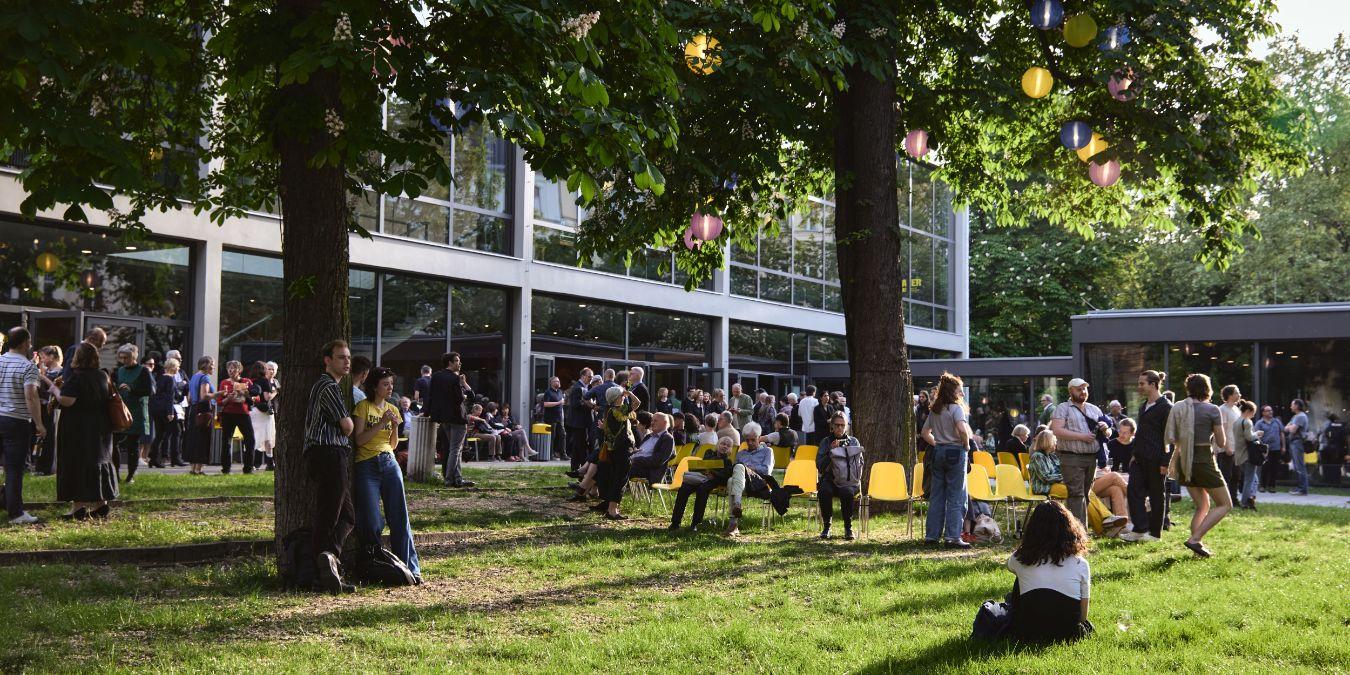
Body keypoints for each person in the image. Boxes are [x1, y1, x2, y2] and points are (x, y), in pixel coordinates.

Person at [350, 367, 420, 581]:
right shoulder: (363, 407)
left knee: (399, 517)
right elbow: (359, 440)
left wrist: (393, 426)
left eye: (391, 384)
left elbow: (393, 444)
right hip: (366, 466)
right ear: (374, 386)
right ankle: (375, 566)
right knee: (371, 520)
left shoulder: (393, 409)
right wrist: (381, 422)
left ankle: (410, 568)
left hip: (389, 463)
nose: (390, 388)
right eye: (385, 384)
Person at [305, 339, 357, 594]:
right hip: (328, 453)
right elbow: (348, 427)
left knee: (347, 515)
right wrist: (347, 424)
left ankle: (329, 562)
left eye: (348, 357)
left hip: (331, 454)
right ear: (328, 360)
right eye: (341, 357)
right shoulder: (327, 386)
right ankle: (319, 575)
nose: (347, 361)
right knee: (328, 515)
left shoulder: (328, 386)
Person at [1002, 501, 1094, 644]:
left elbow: (1009, 566)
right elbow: (1082, 617)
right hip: (1068, 632)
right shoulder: (1081, 564)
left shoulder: (1019, 559)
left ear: (1033, 530)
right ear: (1070, 529)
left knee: (1019, 580)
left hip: (1027, 632)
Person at [49, 342, 117, 521]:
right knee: (97, 462)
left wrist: (55, 390)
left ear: (77, 358)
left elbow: (66, 400)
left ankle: (78, 508)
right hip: (101, 426)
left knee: (77, 463)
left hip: (78, 428)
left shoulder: (77, 377)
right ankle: (101, 505)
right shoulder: (103, 375)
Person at [1165, 373, 1230, 558]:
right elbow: (1222, 442)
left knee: (1202, 505)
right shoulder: (1212, 409)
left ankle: (1198, 551)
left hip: (1183, 460)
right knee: (1225, 504)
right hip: (1203, 459)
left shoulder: (1179, 407)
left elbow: (1174, 436)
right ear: (1207, 388)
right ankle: (1195, 539)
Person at [920, 373, 973, 548]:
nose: (963, 394)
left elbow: (924, 433)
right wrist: (965, 446)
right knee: (957, 496)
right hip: (955, 452)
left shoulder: (935, 409)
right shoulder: (956, 409)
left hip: (939, 452)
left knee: (937, 496)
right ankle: (952, 537)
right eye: (960, 390)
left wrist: (938, 444)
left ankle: (932, 536)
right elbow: (963, 430)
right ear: (953, 391)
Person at [0, 328, 45, 524]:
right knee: (13, 469)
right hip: (16, 421)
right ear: (24, 343)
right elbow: (31, 396)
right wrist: (39, 423)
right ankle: (16, 513)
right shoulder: (28, 367)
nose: (30, 345)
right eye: (29, 341)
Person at [1122, 370, 1173, 543]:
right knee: (1133, 491)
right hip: (1140, 458)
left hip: (1157, 460)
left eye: (1142, 383)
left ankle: (1154, 534)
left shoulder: (1166, 407)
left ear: (1153, 384)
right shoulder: (1144, 406)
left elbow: (1169, 437)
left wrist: (1166, 462)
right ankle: (1139, 528)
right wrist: (1134, 454)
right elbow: (1142, 433)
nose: (1139, 387)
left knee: (1157, 496)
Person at [1049, 378, 1108, 526]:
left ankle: (1078, 530)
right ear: (1071, 391)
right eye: (1079, 389)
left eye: (1085, 389)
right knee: (1076, 495)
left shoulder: (1094, 409)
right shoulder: (1063, 408)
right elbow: (1057, 430)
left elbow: (1108, 434)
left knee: (1086, 495)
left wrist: (1106, 429)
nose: (1083, 392)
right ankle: (1077, 534)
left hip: (1092, 458)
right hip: (1071, 457)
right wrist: (1082, 437)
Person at [724, 421, 786, 536]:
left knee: (738, 468)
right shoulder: (741, 454)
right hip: (743, 484)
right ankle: (734, 521)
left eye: (753, 439)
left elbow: (766, 471)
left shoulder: (768, 451)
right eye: (747, 440)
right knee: (731, 480)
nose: (750, 443)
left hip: (759, 484)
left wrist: (749, 468)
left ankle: (733, 521)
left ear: (759, 438)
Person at [426, 352, 476, 488]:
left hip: (444, 418)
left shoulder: (436, 376)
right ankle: (449, 480)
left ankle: (458, 479)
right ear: (450, 362)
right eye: (457, 361)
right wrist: (464, 386)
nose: (459, 363)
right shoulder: (455, 378)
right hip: (457, 417)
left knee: (454, 449)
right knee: (455, 449)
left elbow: (430, 396)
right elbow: (465, 397)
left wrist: (427, 412)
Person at [668, 436, 736, 531]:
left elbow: (724, 477)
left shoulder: (728, 462)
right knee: (684, 488)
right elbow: (702, 464)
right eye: (723, 444)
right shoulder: (709, 452)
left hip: (713, 481)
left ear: (730, 449)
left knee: (702, 490)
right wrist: (710, 470)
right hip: (699, 477)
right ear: (718, 445)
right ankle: (675, 522)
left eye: (728, 446)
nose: (724, 447)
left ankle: (695, 523)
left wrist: (713, 473)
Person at [596, 384, 639, 521]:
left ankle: (611, 508)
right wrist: (629, 393)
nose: (624, 396)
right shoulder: (620, 410)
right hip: (622, 449)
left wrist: (623, 393)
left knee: (615, 478)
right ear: (617, 398)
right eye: (622, 395)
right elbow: (637, 403)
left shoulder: (609, 410)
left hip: (613, 449)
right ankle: (612, 511)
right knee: (620, 479)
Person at [816, 412, 862, 540]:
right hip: (830, 479)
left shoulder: (853, 441)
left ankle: (848, 527)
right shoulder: (826, 442)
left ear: (846, 426)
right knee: (824, 490)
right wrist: (831, 452)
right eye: (837, 425)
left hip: (848, 480)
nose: (840, 428)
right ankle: (827, 526)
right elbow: (819, 465)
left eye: (843, 425)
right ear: (832, 426)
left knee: (847, 492)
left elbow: (858, 464)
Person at [113, 343, 154, 483]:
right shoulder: (119, 371)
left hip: (136, 410)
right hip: (120, 410)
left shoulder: (143, 371)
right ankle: (116, 474)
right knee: (114, 442)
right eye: (121, 358)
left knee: (132, 444)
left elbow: (150, 391)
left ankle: (131, 475)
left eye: (126, 358)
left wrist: (132, 389)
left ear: (133, 357)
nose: (123, 360)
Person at [216, 360, 256, 475]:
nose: (231, 370)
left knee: (250, 440)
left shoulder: (246, 381)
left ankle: (248, 468)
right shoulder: (224, 383)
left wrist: (245, 393)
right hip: (228, 414)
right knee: (226, 441)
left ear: (239, 370)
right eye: (229, 368)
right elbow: (220, 402)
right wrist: (228, 398)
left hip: (243, 414)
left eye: (234, 368)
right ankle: (226, 469)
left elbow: (256, 398)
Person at [183, 356, 216, 475]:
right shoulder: (205, 378)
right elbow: (204, 396)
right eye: (212, 364)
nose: (214, 367)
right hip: (203, 409)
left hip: (193, 410)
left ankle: (193, 468)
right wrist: (219, 394)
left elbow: (189, 398)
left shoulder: (194, 377)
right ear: (206, 365)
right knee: (202, 439)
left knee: (194, 438)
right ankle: (199, 469)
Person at [150, 357, 185, 469]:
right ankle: (175, 458)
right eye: (177, 367)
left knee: (160, 434)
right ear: (173, 367)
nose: (178, 369)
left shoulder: (161, 378)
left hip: (156, 409)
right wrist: (170, 412)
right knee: (177, 431)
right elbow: (169, 396)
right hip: (166, 409)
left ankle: (153, 459)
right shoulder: (170, 379)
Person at [33, 345, 63, 475]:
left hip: (54, 409)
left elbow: (56, 392)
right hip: (41, 408)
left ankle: (49, 468)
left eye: (43, 357)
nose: (42, 359)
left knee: (50, 437)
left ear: (52, 357)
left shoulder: (60, 372)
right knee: (40, 437)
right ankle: (38, 466)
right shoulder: (45, 371)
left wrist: (43, 377)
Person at [628, 411, 675, 486]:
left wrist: (636, 460)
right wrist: (634, 452)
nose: (652, 423)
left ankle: (612, 495)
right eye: (652, 420)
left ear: (665, 423)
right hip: (635, 464)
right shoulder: (649, 436)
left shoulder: (667, 438)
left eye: (655, 421)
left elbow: (657, 461)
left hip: (649, 471)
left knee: (621, 468)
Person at [1231, 400, 1262, 510]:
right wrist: (1257, 434)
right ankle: (1246, 502)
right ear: (1248, 411)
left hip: (1239, 455)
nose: (1253, 415)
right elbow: (1249, 437)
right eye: (1253, 413)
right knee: (1250, 480)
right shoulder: (1247, 422)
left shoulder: (1236, 422)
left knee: (1253, 479)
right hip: (1248, 454)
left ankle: (1250, 498)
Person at [248, 361, 278, 471]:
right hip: (264, 413)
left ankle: (253, 463)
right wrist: (275, 392)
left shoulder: (251, 381)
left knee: (255, 437)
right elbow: (267, 397)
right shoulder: (265, 381)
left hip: (253, 411)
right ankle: (270, 463)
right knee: (268, 437)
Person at [1216, 384, 1243, 505]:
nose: (1239, 395)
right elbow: (1222, 429)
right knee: (1226, 475)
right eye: (1237, 392)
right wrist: (1226, 447)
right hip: (1227, 449)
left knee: (1236, 475)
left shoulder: (1236, 409)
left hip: (1237, 448)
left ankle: (1234, 499)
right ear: (1230, 395)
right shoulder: (1223, 409)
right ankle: (1223, 501)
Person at [1253, 405, 1284, 494]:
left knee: (1274, 468)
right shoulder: (1259, 423)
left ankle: (1272, 486)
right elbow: (1256, 436)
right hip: (1264, 449)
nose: (1271, 412)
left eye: (1271, 410)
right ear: (1263, 413)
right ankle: (1262, 486)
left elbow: (1281, 433)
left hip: (1276, 448)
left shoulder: (1277, 421)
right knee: (1265, 467)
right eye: (1268, 410)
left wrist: (1283, 446)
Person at [1284, 399, 1311, 496]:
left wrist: (1290, 426)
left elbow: (1292, 430)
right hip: (1293, 443)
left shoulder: (1301, 416)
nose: (1290, 406)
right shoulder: (1296, 416)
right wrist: (1289, 427)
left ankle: (1303, 489)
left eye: (1292, 404)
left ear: (1297, 405)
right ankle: (1300, 487)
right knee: (1297, 466)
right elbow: (1286, 427)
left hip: (1297, 442)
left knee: (1300, 466)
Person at [1027, 429, 1063, 497]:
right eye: (1054, 441)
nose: (1056, 443)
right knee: (1073, 490)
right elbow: (1045, 478)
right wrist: (1065, 477)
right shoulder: (1037, 456)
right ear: (1048, 442)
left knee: (1079, 487)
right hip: (1044, 488)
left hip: (1055, 485)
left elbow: (1060, 470)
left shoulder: (1052, 456)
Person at [541, 376, 566, 461]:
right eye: (556, 381)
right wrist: (558, 402)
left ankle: (563, 454)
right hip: (551, 419)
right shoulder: (548, 392)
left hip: (559, 418)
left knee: (562, 435)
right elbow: (545, 404)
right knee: (552, 437)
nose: (558, 383)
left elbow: (561, 405)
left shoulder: (560, 392)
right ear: (551, 383)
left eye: (559, 381)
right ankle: (550, 454)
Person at [1319, 414, 1346, 488]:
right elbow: (1344, 440)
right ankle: (1337, 481)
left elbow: (1329, 436)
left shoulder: (1329, 428)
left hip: (1329, 449)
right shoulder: (1342, 428)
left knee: (1329, 465)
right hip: (1339, 449)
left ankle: (1329, 480)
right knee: (1337, 466)